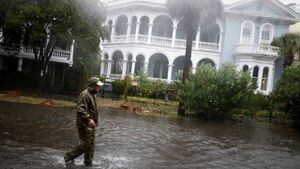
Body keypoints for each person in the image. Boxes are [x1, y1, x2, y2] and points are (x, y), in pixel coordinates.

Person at [64, 77, 103, 167]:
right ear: (92, 86)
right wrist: (88, 119)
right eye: (97, 86)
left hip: (91, 124)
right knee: (85, 145)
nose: (99, 88)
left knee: (91, 145)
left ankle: (88, 163)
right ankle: (67, 157)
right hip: (85, 124)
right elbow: (80, 108)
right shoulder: (85, 94)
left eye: (99, 86)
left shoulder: (92, 94)